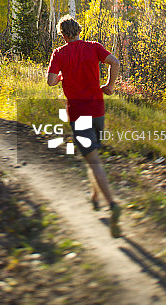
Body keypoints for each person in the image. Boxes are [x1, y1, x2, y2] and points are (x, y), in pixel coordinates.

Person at [46, 14, 122, 238]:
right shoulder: (94, 47)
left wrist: (60, 77)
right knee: (93, 156)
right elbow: (115, 63)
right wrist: (109, 86)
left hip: (78, 114)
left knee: (94, 160)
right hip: (97, 110)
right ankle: (95, 197)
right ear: (79, 30)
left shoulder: (59, 53)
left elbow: (50, 81)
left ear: (62, 35)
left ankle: (113, 204)